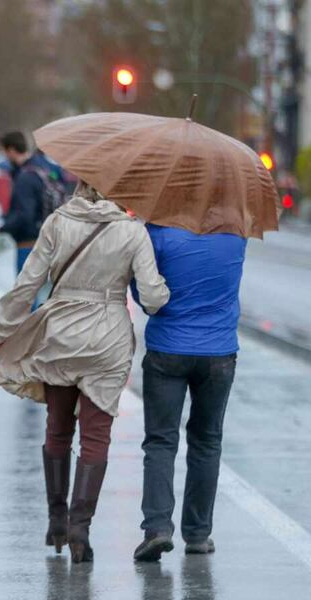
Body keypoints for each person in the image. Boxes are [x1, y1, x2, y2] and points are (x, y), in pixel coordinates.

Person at [0, 181, 169, 563]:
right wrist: (163, 295)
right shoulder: (132, 231)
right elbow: (152, 297)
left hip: (62, 334)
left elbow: (27, 283)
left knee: (57, 427)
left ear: (82, 185)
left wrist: (0, 331)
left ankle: (56, 519)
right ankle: (80, 529)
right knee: (96, 436)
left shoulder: (57, 221)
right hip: (108, 339)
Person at [131, 225, 247, 562]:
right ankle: (197, 534)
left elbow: (143, 296)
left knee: (160, 441)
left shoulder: (157, 235)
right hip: (219, 353)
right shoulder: (236, 236)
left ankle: (157, 528)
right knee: (207, 441)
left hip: (167, 349)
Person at [0, 131, 61, 275]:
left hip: (29, 243)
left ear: (11, 150)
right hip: (50, 241)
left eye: (4, 152)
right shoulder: (43, 168)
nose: (5, 157)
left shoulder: (24, 177)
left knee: (26, 294)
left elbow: (24, 214)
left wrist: (2, 228)